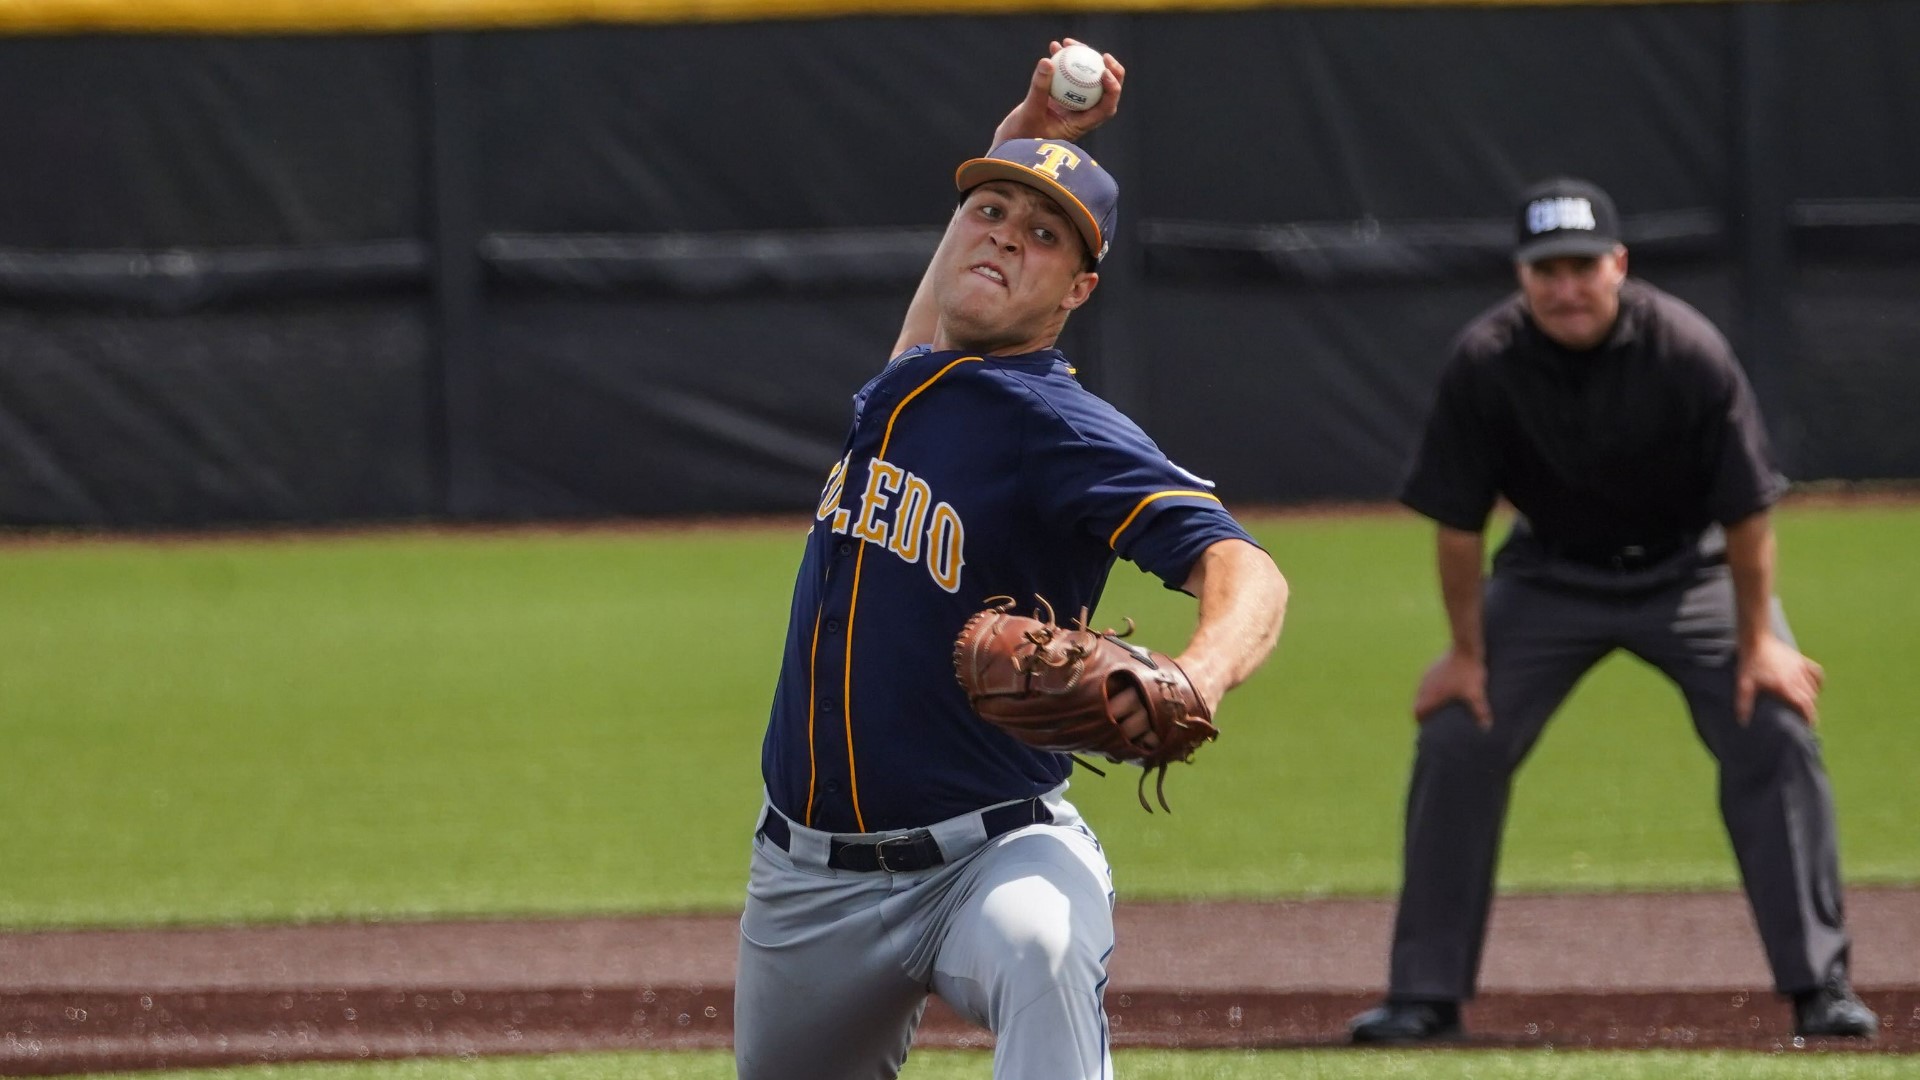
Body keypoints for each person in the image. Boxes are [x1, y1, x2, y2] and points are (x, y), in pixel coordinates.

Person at [732, 41, 1290, 1080]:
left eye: (1041, 236)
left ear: (1078, 290)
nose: (1003, 239)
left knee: (1040, 947)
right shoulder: (913, 377)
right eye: (989, 214)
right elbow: (959, 274)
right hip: (806, 882)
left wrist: (1195, 674)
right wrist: (1026, 135)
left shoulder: (1058, 426)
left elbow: (1245, 567)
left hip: (991, 854)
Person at [1347, 177, 1879, 1044]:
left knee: (1775, 720)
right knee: (1458, 734)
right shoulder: (1486, 361)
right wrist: (1466, 656)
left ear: (1618, 264)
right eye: (1545, 270)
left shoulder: (1687, 350)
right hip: (1550, 577)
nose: (1565, 288)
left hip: (1691, 570)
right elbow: (1457, 527)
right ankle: (1425, 995)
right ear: (1521, 277)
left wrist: (1758, 646)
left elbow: (1747, 512)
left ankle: (1820, 989)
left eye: (1582, 267)